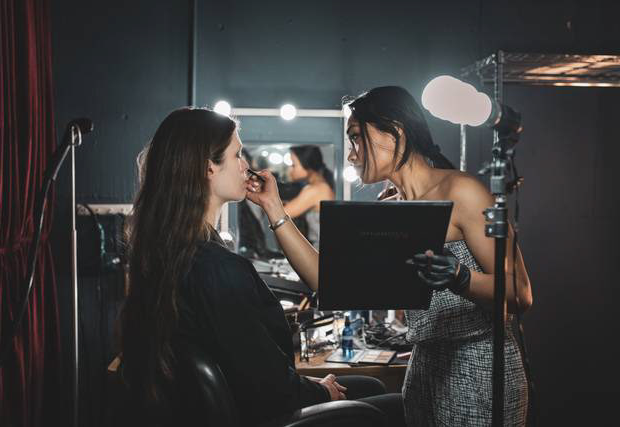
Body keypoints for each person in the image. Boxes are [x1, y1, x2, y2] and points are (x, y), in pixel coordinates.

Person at [245, 86, 532, 426]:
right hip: (424, 370)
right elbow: (327, 279)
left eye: (356, 138)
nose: (351, 155)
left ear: (394, 132)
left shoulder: (462, 192)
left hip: (479, 369)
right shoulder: (389, 207)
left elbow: (520, 293)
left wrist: (460, 277)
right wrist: (273, 207)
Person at [119, 107, 392, 427]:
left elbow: (248, 368)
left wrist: (310, 385)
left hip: (238, 404)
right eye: (237, 155)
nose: (245, 166)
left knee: (368, 386)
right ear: (209, 167)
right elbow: (269, 388)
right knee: (391, 403)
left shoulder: (167, 256)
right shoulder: (218, 270)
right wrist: (321, 392)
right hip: (265, 412)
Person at [284, 145, 335, 248]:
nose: (290, 169)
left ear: (306, 164)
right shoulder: (320, 186)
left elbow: (279, 215)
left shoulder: (316, 189)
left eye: (293, 165)